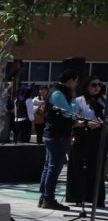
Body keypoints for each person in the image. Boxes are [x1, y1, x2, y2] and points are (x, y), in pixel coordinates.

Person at [38, 69, 81, 211]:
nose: (76, 84)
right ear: (70, 80)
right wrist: (73, 99)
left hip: (55, 135)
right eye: (76, 81)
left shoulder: (59, 92)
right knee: (53, 168)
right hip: (57, 136)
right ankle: (48, 198)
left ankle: (44, 197)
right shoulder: (57, 93)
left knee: (49, 167)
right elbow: (69, 113)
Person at [65, 76, 106, 207]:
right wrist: (87, 124)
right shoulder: (79, 101)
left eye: (99, 85)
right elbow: (72, 120)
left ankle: (96, 197)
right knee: (79, 166)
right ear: (86, 86)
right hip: (83, 135)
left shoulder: (103, 100)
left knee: (97, 167)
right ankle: (78, 197)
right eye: (93, 85)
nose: (97, 88)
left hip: (99, 137)